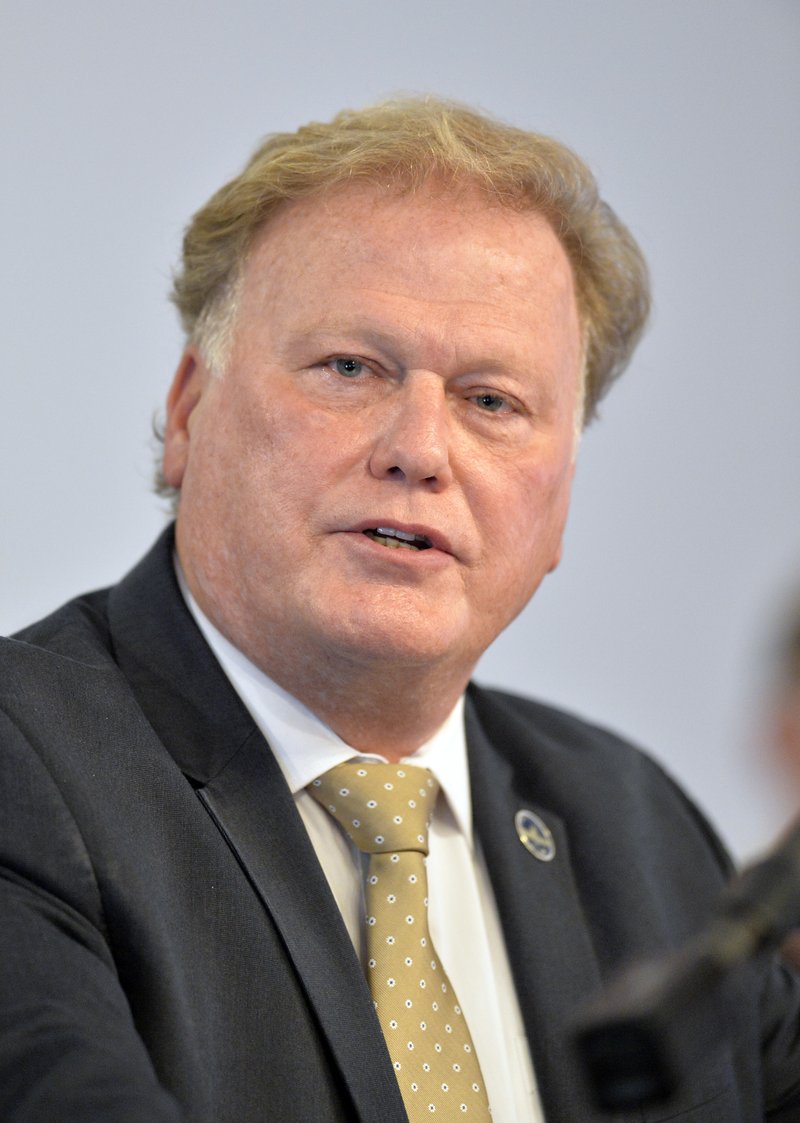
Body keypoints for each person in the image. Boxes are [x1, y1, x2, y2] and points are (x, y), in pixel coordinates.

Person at [1, 98, 798, 1122]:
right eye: (350, 368)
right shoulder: (27, 764)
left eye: (490, 401)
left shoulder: (636, 830)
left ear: (559, 500)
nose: (418, 449)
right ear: (189, 412)